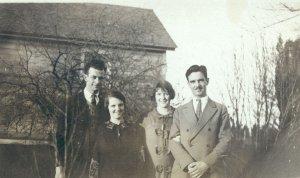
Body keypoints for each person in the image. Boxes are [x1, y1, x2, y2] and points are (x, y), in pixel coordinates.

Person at [169, 65, 231, 178]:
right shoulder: (179, 111)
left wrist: (205, 163)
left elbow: (225, 140)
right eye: (192, 82)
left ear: (207, 81)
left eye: (200, 80)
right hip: (185, 170)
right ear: (188, 84)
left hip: (210, 169)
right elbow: (173, 141)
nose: (197, 85)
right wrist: (189, 164)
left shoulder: (220, 109)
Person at [55, 53, 107, 178]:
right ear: (85, 77)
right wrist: (59, 169)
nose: (97, 82)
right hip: (76, 166)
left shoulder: (108, 105)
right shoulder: (71, 104)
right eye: (93, 77)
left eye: (101, 78)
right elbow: (60, 138)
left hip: (102, 167)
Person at [89, 90, 147, 178]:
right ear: (107, 107)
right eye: (113, 106)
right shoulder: (99, 131)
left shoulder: (136, 130)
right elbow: (94, 162)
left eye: (120, 105)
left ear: (124, 106)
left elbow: (142, 161)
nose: (117, 109)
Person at [142, 80, 175, 178]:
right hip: (152, 172)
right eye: (159, 94)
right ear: (155, 96)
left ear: (171, 95)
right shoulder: (146, 118)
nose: (162, 98)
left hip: (175, 171)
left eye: (166, 94)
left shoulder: (180, 116)